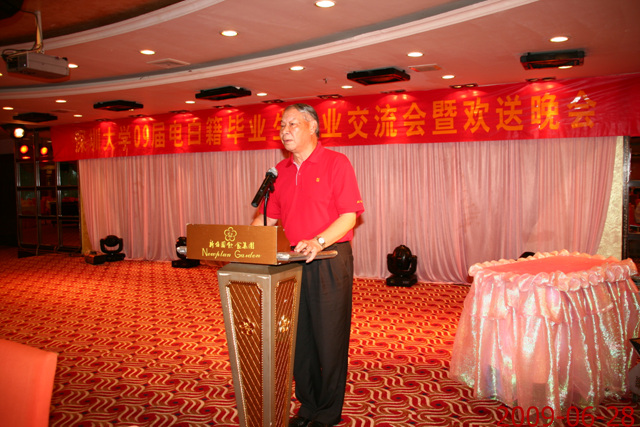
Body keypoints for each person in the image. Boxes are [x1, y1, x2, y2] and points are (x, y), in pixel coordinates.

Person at [251, 103, 364, 427]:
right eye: (282, 125)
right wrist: (245, 240)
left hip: (329, 259)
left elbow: (349, 216)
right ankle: (308, 407)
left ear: (313, 127)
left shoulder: (336, 163)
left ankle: (327, 413)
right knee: (298, 340)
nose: (284, 131)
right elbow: (268, 218)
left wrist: (318, 241)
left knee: (329, 339)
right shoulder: (279, 171)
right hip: (292, 262)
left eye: (293, 124)